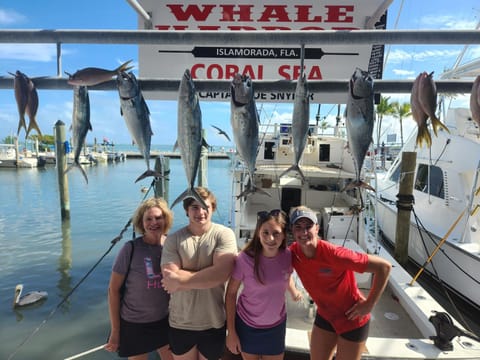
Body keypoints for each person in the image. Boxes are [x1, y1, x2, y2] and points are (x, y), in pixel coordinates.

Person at [288, 205, 391, 360]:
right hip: (325, 316)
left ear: (317, 228)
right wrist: (292, 289)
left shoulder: (335, 254)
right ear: (292, 230)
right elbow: (275, 264)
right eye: (298, 227)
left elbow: (384, 267)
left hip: (352, 318)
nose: (303, 232)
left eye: (308, 226)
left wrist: (369, 304)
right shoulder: (293, 253)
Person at [161, 187, 238, 360]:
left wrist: (182, 279)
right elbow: (169, 278)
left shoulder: (224, 235)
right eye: (195, 207)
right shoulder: (173, 239)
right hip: (180, 323)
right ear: (187, 210)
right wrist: (208, 275)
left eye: (206, 207)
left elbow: (220, 275)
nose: (200, 212)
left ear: (213, 208)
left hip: (214, 322)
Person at [225, 209, 302, 360]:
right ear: (258, 233)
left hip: (276, 327)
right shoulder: (244, 259)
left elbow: (286, 275)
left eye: (276, 233)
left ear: (284, 234)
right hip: (247, 327)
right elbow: (231, 294)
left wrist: (293, 291)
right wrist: (231, 332)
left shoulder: (288, 256)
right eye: (265, 232)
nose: (270, 238)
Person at [105, 197, 174, 360]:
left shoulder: (172, 246)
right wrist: (115, 332)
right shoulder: (131, 248)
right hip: (134, 323)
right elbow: (113, 290)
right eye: (148, 219)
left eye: (158, 218)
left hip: (164, 320)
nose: (154, 222)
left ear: (166, 219)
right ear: (141, 223)